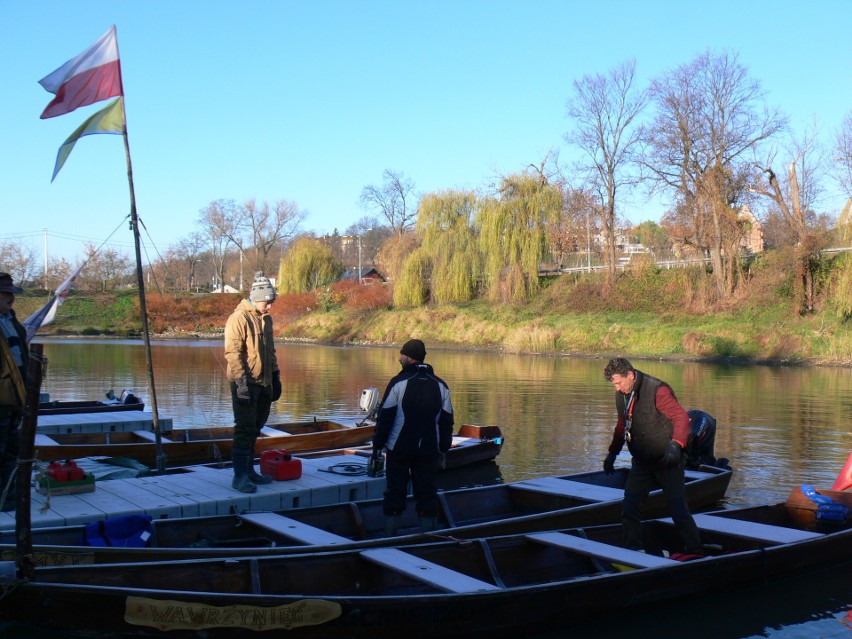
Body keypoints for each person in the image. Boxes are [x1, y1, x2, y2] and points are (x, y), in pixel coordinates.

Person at [602, 357, 702, 554]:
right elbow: (623, 425)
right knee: (629, 507)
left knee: (677, 510)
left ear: (630, 375)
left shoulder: (657, 390)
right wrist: (612, 453)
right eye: (614, 384)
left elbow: (681, 417)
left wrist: (676, 444)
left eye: (619, 383)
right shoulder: (622, 395)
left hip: (667, 460)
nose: (617, 388)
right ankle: (634, 551)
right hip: (641, 463)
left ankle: (695, 550)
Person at [372, 339, 454, 535]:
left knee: (395, 492)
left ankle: (390, 537)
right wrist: (443, 450)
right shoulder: (441, 386)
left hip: (398, 448)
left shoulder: (398, 382)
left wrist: (377, 446)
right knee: (427, 493)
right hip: (428, 450)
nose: (399, 358)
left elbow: (385, 418)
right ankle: (427, 537)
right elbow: (446, 422)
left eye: (401, 354)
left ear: (408, 357)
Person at [224, 272, 282, 493]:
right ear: (257, 298)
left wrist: (276, 376)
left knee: (256, 428)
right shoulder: (238, 319)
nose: (269, 307)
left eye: (271, 302)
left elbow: (271, 351)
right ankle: (239, 477)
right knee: (244, 429)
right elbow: (233, 354)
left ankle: (250, 471)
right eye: (267, 302)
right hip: (245, 383)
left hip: (264, 382)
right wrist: (241, 385)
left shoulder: (266, 319)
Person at [0, 273, 28, 512]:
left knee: (12, 450)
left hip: (15, 397)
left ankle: (8, 499)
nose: (12, 298)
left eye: (12, 294)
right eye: (7, 293)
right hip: (1, 398)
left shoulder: (11, 319)